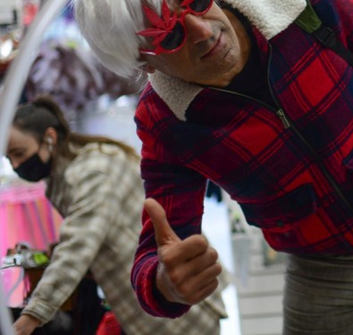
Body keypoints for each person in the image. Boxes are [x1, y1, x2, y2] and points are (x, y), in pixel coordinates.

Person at [72, 0, 353, 335]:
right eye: (171, 36)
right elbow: (161, 245)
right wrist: (166, 284)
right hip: (322, 269)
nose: (203, 31)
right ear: (145, 65)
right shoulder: (165, 120)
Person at [6, 96, 226, 335]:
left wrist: (32, 315)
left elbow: (78, 245)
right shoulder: (66, 178)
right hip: (158, 293)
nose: (16, 165)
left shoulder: (92, 172)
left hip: (177, 299)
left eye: (19, 153)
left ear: (50, 138)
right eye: (9, 158)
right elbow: (98, 231)